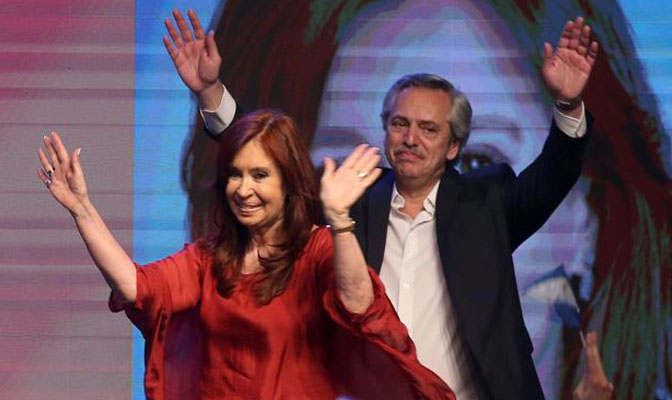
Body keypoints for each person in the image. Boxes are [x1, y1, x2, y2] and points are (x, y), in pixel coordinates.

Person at [165, 5, 609, 398]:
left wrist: (569, 104)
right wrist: (212, 94)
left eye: (428, 129)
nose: (410, 139)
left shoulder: (487, 203)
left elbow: (554, 174)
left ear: (454, 147)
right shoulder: (353, 199)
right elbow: (272, 166)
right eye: (399, 124)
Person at [36, 110, 456, 399]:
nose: (243, 189)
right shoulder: (208, 257)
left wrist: (340, 219)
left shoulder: (316, 250)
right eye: (235, 174)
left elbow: (360, 304)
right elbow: (136, 287)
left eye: (259, 175)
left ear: (289, 182)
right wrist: (83, 210)